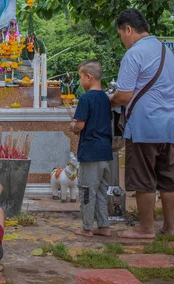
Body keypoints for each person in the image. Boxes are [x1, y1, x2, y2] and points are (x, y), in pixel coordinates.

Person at [109, 9, 174, 239]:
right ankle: (170, 227)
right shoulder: (166, 51)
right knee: (168, 179)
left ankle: (146, 229)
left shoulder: (134, 54)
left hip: (145, 126)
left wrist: (109, 101)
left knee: (144, 177)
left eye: (121, 35)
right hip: (170, 127)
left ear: (128, 29)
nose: (123, 41)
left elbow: (124, 95)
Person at [70, 60, 113, 237]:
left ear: (88, 77)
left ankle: (87, 227)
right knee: (102, 190)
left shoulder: (86, 98)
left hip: (90, 151)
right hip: (105, 151)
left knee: (87, 189)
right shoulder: (105, 97)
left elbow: (80, 125)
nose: (80, 81)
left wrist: (72, 126)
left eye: (80, 77)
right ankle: (104, 225)